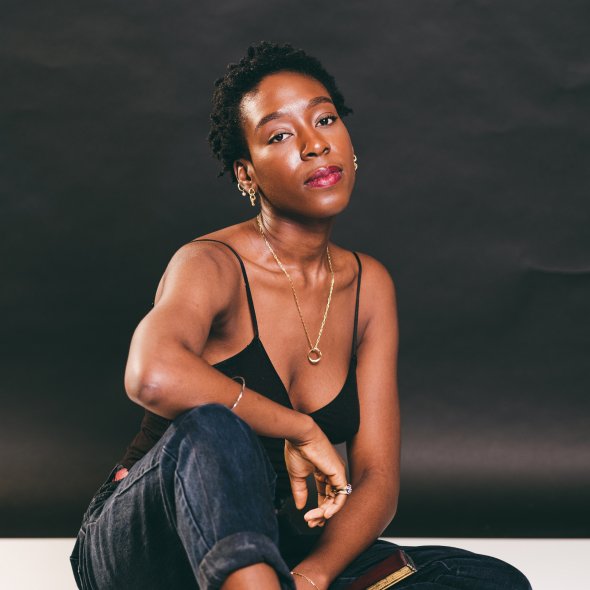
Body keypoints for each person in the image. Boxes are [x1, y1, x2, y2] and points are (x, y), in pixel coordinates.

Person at [70, 41, 532, 590]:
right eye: (279, 135)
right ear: (247, 174)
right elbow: (152, 375)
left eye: (325, 119)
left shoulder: (368, 286)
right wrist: (299, 427)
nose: (315, 144)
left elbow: (377, 480)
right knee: (216, 427)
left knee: (484, 579)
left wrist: (313, 576)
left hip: (281, 544)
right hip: (148, 543)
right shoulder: (210, 263)